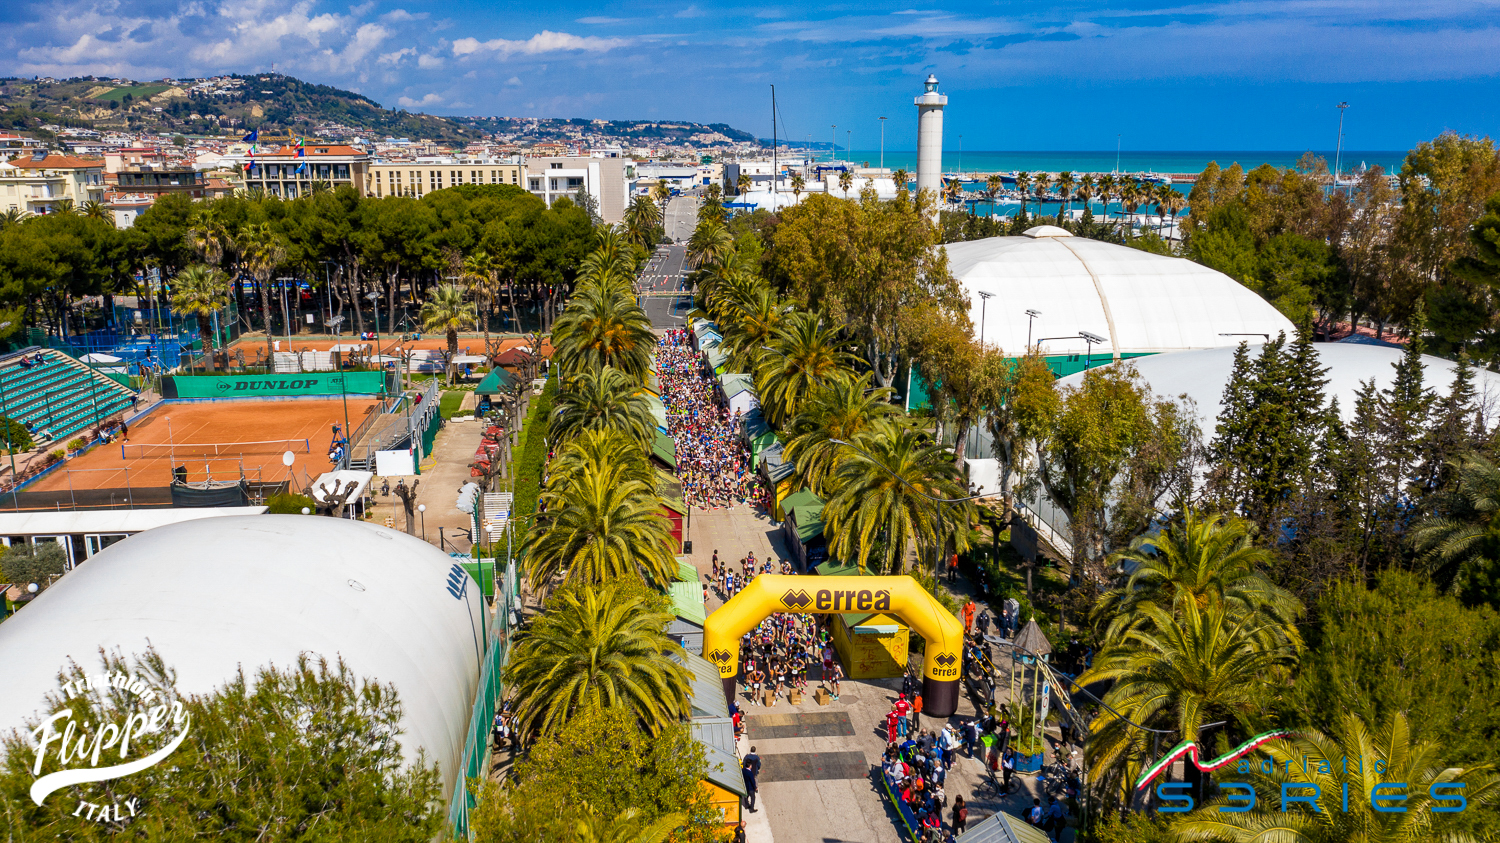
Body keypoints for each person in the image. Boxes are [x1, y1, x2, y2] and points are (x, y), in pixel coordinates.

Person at [742, 747, 762, 812]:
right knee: (754, 780)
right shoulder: (757, 757)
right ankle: (751, 808)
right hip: (753, 773)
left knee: (746, 795)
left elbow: (744, 763)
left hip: (746, 781)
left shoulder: (747, 757)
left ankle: (746, 804)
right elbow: (759, 765)